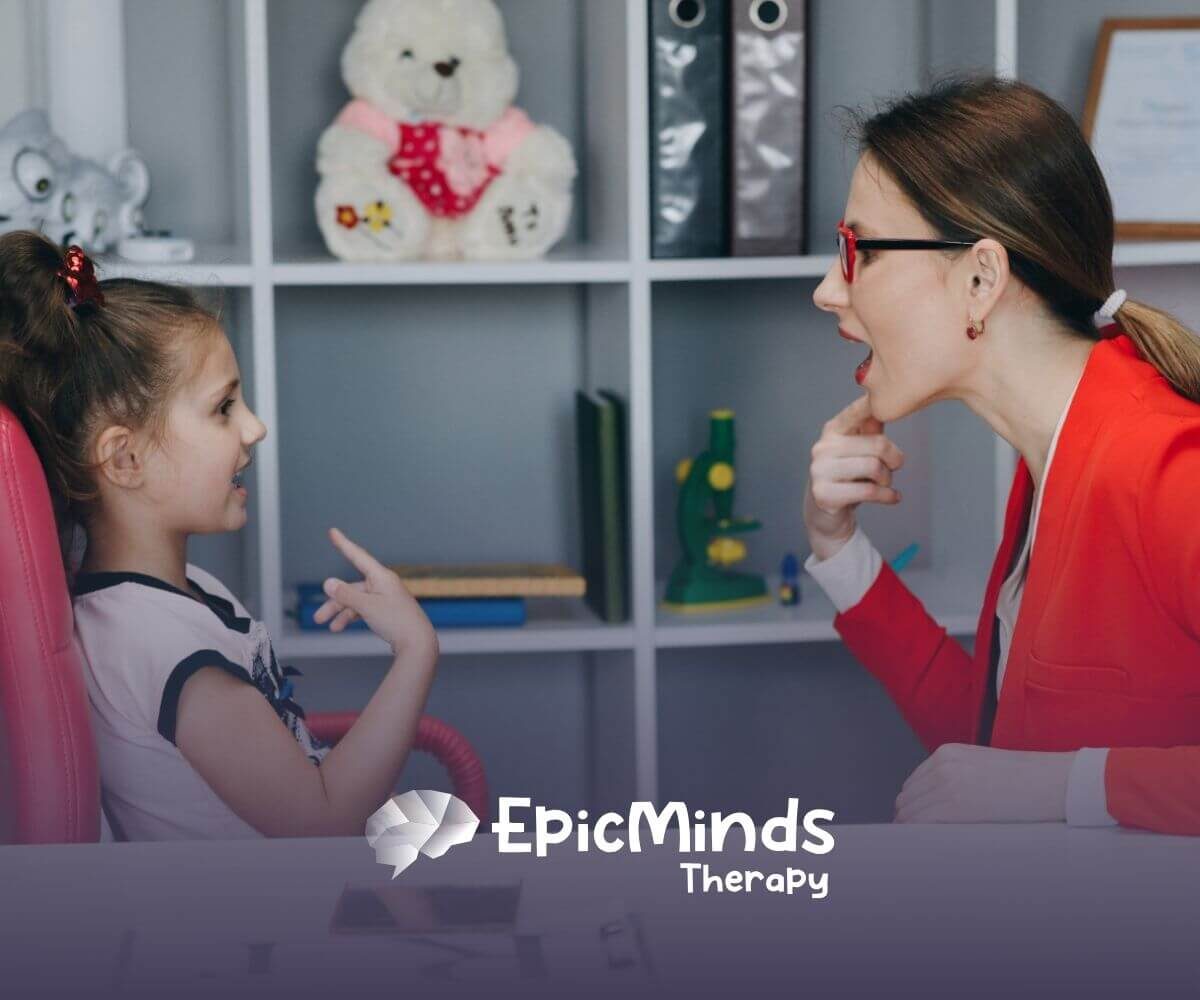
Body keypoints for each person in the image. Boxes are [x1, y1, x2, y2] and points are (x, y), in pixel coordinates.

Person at [803, 75, 1200, 836]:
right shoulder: (1048, 459)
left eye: (857, 250)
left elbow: (1036, 781)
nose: (828, 290)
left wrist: (1071, 789)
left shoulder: (1165, 469)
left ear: (981, 278)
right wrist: (838, 550)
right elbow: (994, 754)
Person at [0, 230, 438, 839]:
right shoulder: (162, 645)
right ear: (124, 460)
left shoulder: (179, 598)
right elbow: (322, 818)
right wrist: (416, 651)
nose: (254, 428)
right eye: (223, 408)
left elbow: (302, 764)